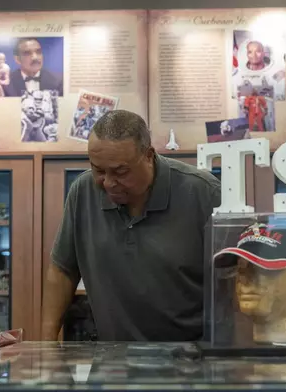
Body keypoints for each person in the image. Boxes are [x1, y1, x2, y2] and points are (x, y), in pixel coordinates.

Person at [42, 110, 221, 342]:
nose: (108, 182)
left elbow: (235, 279)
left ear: (148, 156)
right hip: (112, 361)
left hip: (190, 361)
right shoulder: (83, 192)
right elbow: (63, 269)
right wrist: (46, 343)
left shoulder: (203, 193)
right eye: (98, 170)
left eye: (120, 172)